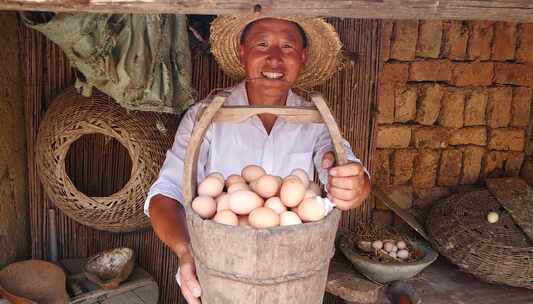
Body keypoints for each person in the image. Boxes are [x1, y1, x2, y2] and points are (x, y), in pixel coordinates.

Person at [144, 15, 371, 304]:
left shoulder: (315, 121)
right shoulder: (205, 118)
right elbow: (164, 197)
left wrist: (353, 184)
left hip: (290, 282)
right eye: (262, 44)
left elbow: (348, 171)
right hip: (217, 278)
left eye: (287, 46)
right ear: (242, 53)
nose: (274, 59)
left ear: (303, 57)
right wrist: (186, 253)